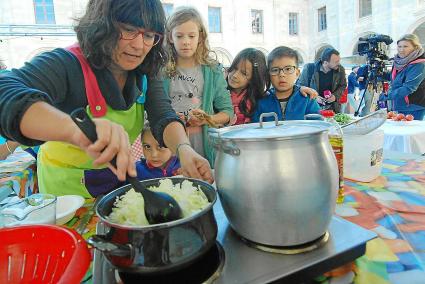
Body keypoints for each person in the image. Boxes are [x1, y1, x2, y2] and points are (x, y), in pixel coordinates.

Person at [0, 0, 213, 198]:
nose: (139, 46)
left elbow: (162, 114)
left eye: (149, 35)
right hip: (65, 192)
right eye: (129, 30)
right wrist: (76, 130)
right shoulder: (68, 64)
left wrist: (184, 149)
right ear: (102, 25)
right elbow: (4, 89)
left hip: (114, 181)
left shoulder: (146, 69)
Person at [162, 6, 234, 165]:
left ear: (200, 37)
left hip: (206, 148)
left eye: (191, 36)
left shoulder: (213, 71)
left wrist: (207, 119)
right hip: (170, 150)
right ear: (170, 37)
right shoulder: (161, 71)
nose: (186, 41)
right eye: (179, 36)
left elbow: (228, 112)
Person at [252, 46, 320, 122]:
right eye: (275, 70)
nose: (281, 74)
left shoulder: (307, 100)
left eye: (288, 69)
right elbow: (256, 129)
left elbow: (319, 126)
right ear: (268, 74)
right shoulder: (261, 102)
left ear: (297, 73)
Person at [386, 34, 425, 120]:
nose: (401, 50)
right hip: (398, 105)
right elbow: (396, 79)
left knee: (411, 133)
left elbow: (409, 88)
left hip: (413, 107)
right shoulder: (398, 62)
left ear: (415, 47)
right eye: (399, 46)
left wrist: (387, 96)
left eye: (405, 46)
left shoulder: (419, 64)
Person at [298, 47, 347, 113]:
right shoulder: (309, 68)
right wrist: (314, 97)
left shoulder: (340, 69)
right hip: (312, 109)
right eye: (336, 62)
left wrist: (335, 96)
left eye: (339, 60)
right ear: (325, 62)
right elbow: (300, 87)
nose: (339, 63)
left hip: (333, 109)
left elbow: (343, 85)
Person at [227, 48, 268, 125]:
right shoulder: (219, 92)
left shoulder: (257, 101)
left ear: (253, 78)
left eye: (244, 73)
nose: (235, 75)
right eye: (234, 68)